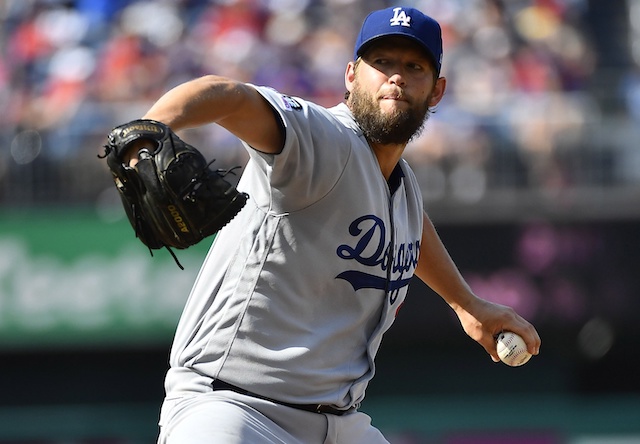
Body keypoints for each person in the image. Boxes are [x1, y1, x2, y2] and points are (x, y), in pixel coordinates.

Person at [125, 6, 541, 444]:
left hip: (340, 425)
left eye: (413, 66)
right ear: (350, 75)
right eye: (381, 63)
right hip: (234, 410)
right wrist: (145, 133)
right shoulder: (320, 138)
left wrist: (466, 304)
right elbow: (227, 94)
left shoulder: (402, 186)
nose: (395, 77)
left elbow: (410, 228)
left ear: (436, 91)